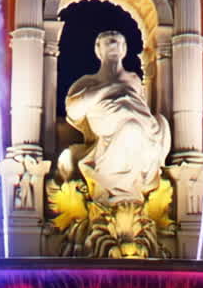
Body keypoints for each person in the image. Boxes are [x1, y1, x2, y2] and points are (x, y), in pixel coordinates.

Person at [60, 31, 171, 206]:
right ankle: (119, 189)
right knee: (131, 129)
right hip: (110, 128)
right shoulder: (87, 82)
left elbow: (142, 107)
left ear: (124, 49)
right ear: (98, 50)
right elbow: (73, 111)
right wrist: (108, 88)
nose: (113, 45)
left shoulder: (134, 80)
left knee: (148, 126)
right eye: (108, 42)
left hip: (144, 129)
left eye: (118, 42)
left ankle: (127, 187)